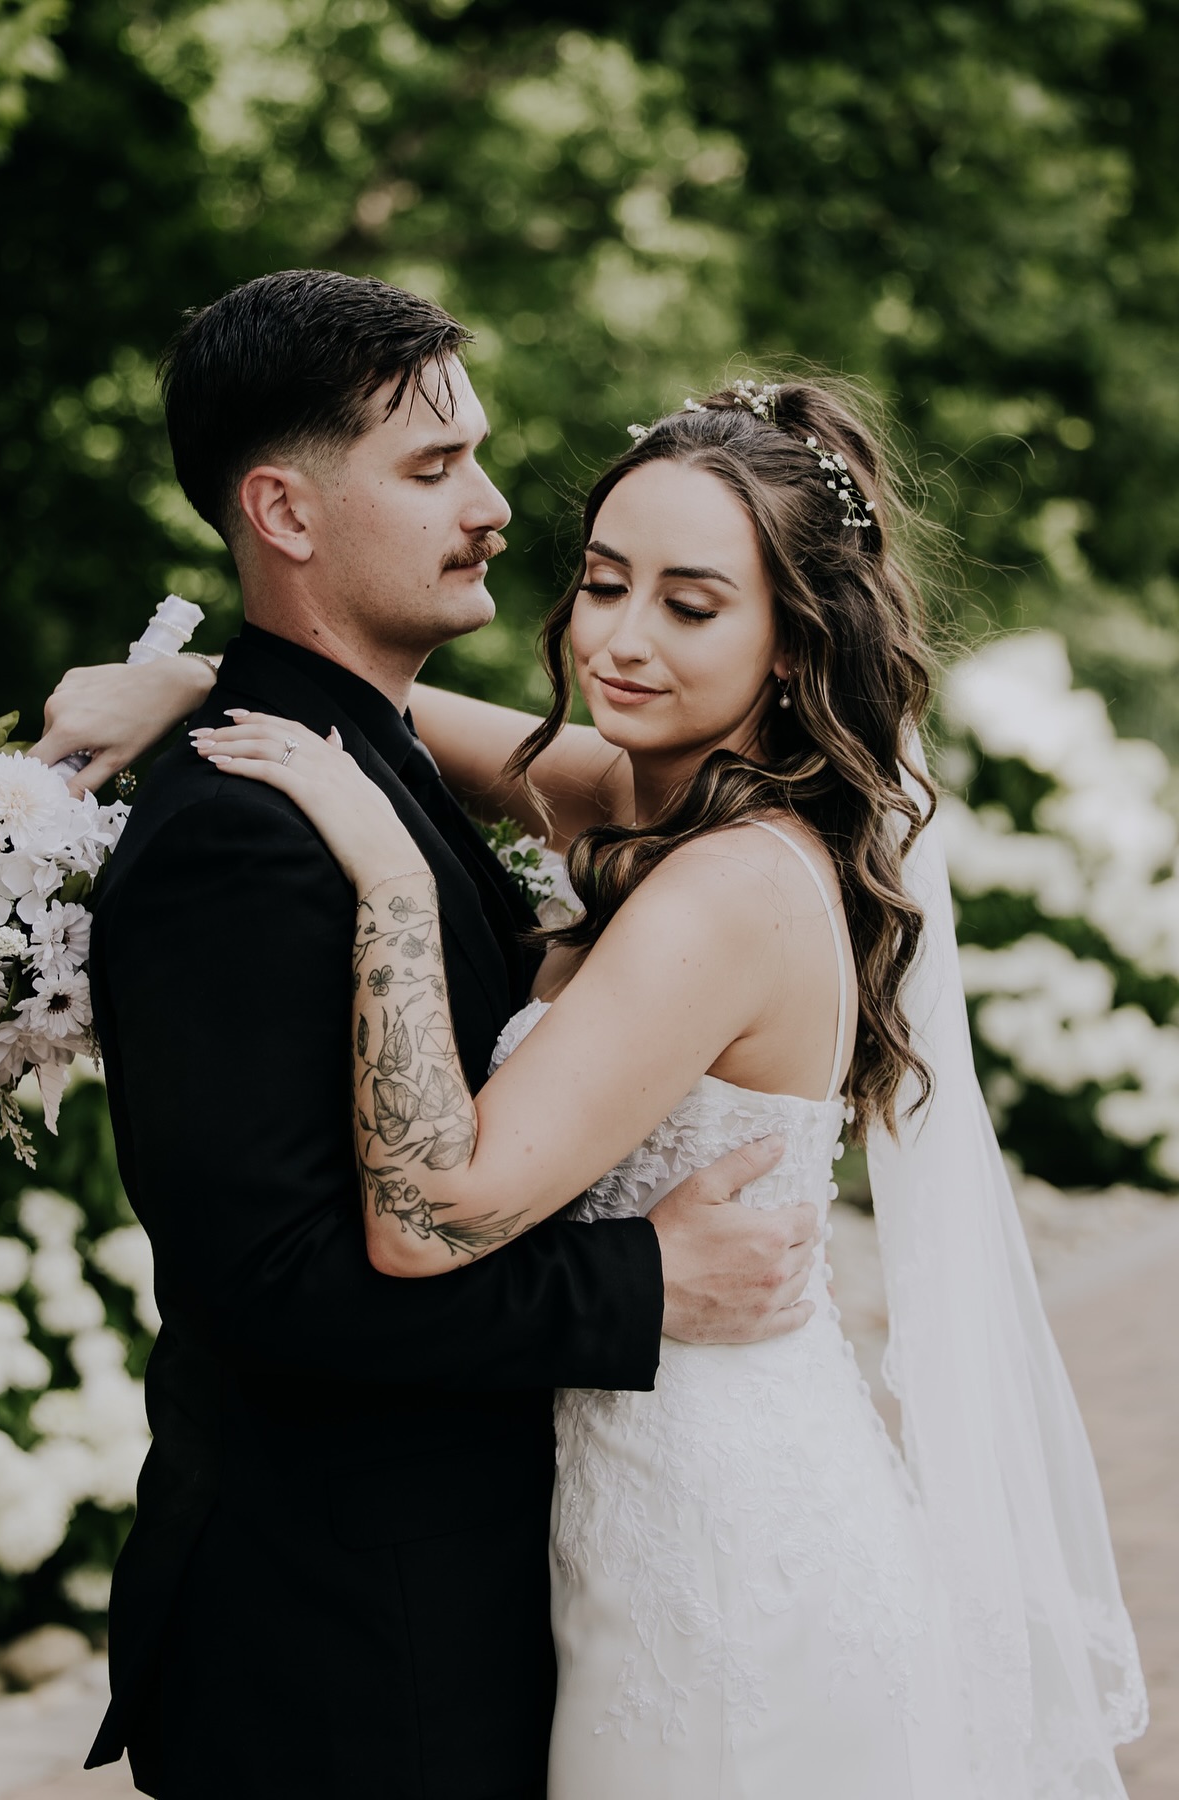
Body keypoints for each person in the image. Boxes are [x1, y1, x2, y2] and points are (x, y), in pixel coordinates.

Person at [55, 366, 1146, 1796]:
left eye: (691, 607)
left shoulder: (726, 891)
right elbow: (447, 735)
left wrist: (387, 871)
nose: (619, 642)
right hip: (613, 1491)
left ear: (794, 641)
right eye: (604, 582)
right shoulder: (658, 795)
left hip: (712, 1524)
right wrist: (203, 683)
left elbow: (428, 1216)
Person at [32, 272, 825, 1800]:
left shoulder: (372, 752)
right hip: (345, 1651)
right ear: (287, 510)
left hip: (471, 1604)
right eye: (435, 467)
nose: (496, 506)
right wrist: (642, 1277)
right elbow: (271, 1285)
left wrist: (196, 675)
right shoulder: (242, 836)